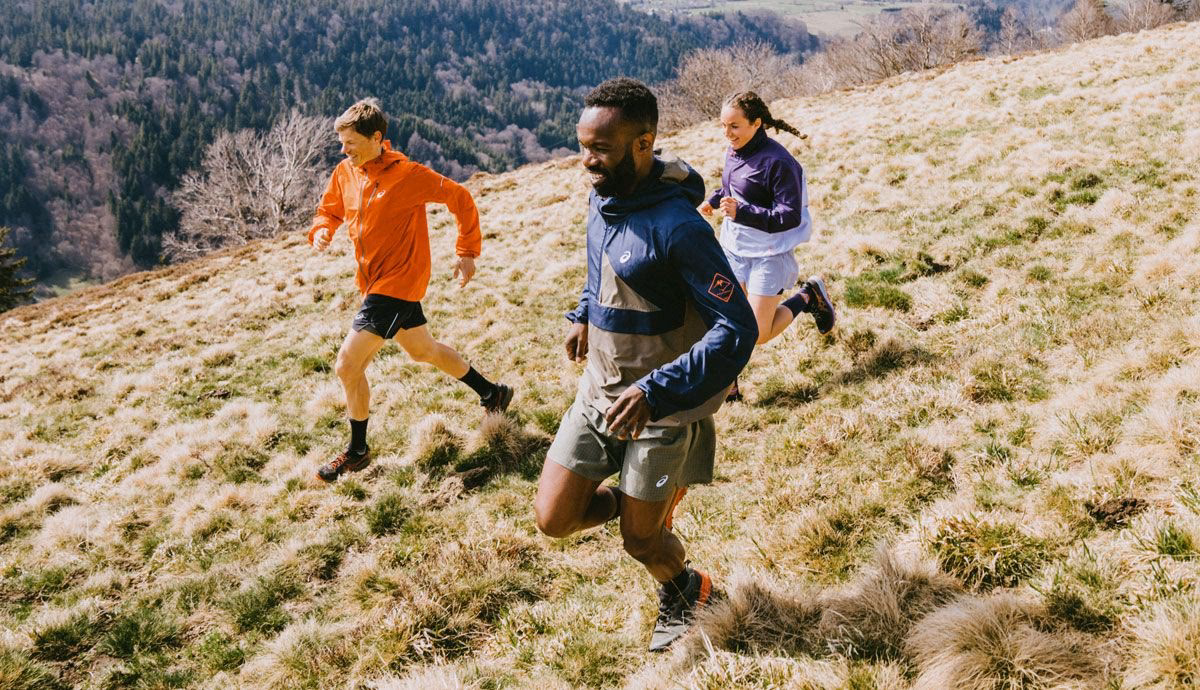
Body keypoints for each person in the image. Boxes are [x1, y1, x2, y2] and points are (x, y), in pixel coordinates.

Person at [533, 78, 758, 652]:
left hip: (659, 409)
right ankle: (645, 506)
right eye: (584, 146)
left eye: (600, 149)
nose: (588, 161)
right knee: (554, 518)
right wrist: (585, 309)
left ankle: (688, 588)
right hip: (599, 391)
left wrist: (657, 391)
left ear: (644, 143)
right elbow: (598, 260)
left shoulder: (680, 229)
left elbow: (739, 327)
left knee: (641, 544)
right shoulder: (603, 197)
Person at [308, 98, 512, 483]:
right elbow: (330, 209)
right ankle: (492, 393)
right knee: (424, 351)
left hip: (397, 285)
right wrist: (322, 229)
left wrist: (467, 252)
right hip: (372, 283)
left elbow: (460, 198)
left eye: (350, 143)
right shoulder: (346, 172)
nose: (343, 150)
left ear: (377, 138)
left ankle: (357, 451)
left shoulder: (408, 175)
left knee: (348, 365)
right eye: (342, 143)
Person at [699, 91, 836, 400]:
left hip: (768, 255)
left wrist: (742, 212)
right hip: (735, 248)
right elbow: (730, 186)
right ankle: (729, 387)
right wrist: (714, 200)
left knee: (759, 333)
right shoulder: (734, 150)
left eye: (734, 126)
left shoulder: (780, 163)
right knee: (729, 320)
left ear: (756, 123)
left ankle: (808, 295)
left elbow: (789, 216)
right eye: (723, 125)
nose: (727, 133)